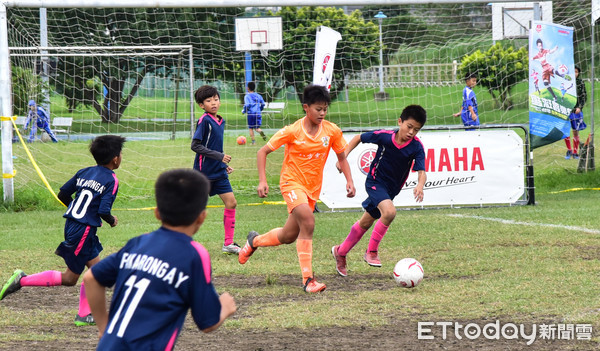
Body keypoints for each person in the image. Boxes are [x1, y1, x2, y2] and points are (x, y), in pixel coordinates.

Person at [83, 169, 236, 350]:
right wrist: (225, 308)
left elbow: (90, 278)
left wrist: (104, 328)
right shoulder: (194, 254)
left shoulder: (137, 243)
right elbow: (207, 323)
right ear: (202, 217)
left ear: (157, 213)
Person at [238, 84, 356, 293]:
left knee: (287, 236)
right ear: (306, 107)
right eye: (318, 109)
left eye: (325, 109)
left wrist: (349, 180)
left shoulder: (332, 131)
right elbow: (262, 152)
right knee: (308, 222)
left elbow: (341, 157)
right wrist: (262, 181)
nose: (322, 113)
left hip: (312, 190)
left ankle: (254, 241)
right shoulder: (292, 131)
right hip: (291, 183)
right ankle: (308, 280)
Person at [0, 135, 125, 327]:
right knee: (69, 278)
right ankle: (22, 280)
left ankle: (85, 314)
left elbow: (63, 194)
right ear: (115, 159)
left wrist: (75, 211)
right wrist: (112, 220)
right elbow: (103, 210)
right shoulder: (111, 180)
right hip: (83, 230)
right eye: (121, 154)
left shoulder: (84, 171)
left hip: (76, 226)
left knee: (96, 271)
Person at [331, 105, 427, 277]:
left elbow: (422, 172)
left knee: (366, 222)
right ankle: (371, 252)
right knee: (389, 212)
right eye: (409, 126)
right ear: (400, 122)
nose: (412, 132)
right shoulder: (385, 137)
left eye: (416, 130)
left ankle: (341, 251)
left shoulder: (417, 147)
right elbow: (358, 137)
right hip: (375, 182)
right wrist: (342, 157)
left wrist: (420, 185)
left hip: (391, 191)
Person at [191, 85, 240, 254]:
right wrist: (219, 157)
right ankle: (179, 242)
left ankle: (228, 244)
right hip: (203, 174)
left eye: (216, 99)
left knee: (231, 202)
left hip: (218, 172)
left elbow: (214, 146)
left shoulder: (221, 120)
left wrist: (223, 164)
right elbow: (195, 146)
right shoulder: (204, 120)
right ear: (201, 105)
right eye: (208, 100)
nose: (213, 103)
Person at [565, 65, 587, 160]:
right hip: (565, 110)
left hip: (576, 111)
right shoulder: (565, 82)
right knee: (565, 131)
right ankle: (569, 150)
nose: (575, 73)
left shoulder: (580, 83)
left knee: (575, 131)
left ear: (578, 73)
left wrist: (580, 107)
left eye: (576, 71)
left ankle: (575, 151)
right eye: (573, 71)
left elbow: (584, 96)